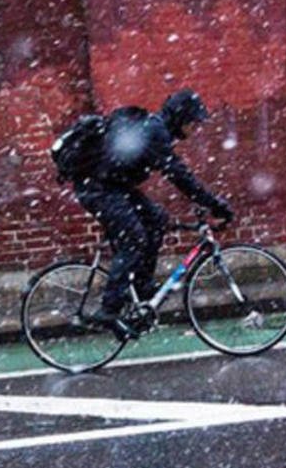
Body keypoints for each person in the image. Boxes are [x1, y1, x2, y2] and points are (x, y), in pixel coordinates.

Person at [66, 90, 234, 338]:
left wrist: (207, 201)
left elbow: (177, 173)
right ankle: (109, 309)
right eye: (192, 122)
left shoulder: (156, 130)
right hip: (98, 188)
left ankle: (141, 285)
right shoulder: (156, 132)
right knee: (133, 238)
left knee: (156, 221)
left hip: (112, 185)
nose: (194, 129)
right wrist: (215, 204)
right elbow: (179, 175)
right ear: (180, 118)